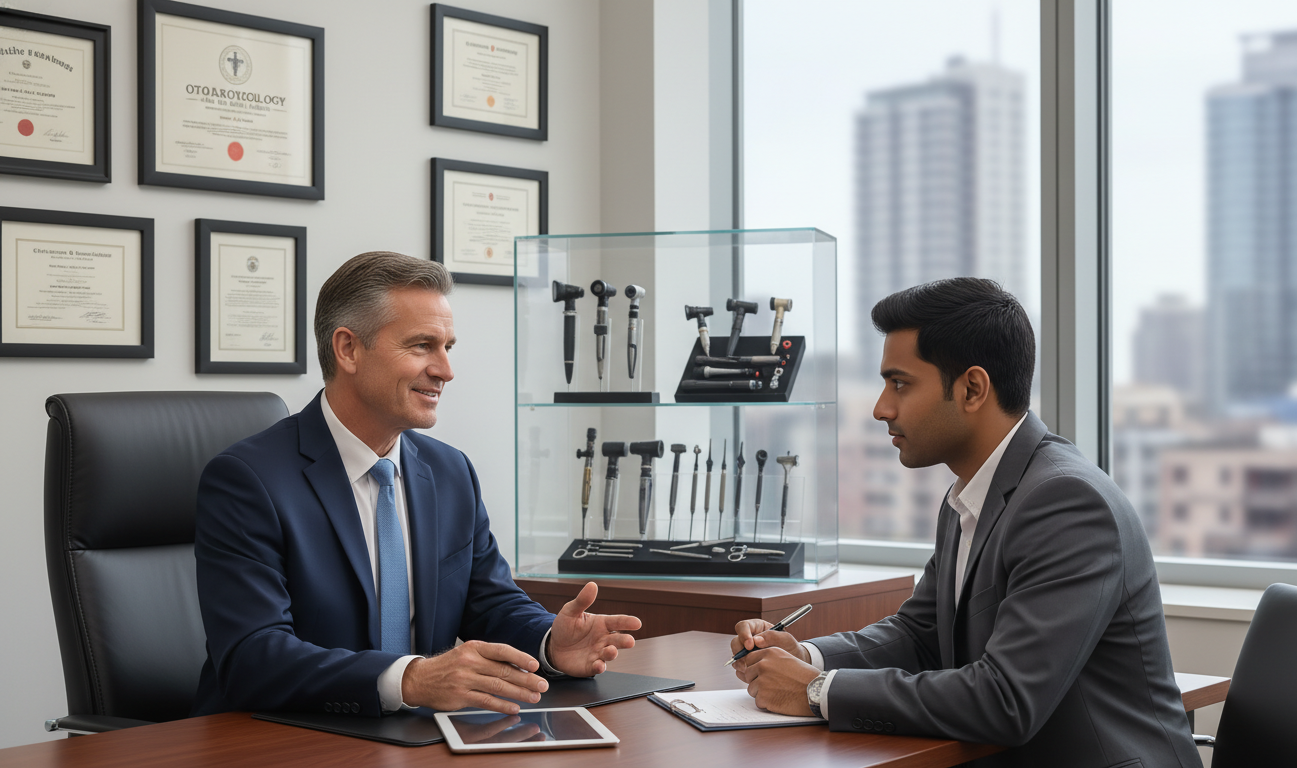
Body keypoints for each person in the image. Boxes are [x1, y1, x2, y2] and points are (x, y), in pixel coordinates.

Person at [731, 278, 1200, 767]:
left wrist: (816, 691)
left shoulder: (1067, 502)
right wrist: (806, 657)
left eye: (900, 383)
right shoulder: (974, 491)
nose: (880, 408)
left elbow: (1005, 700)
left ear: (972, 388)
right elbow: (921, 634)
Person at [193, 251, 641, 717]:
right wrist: (408, 679)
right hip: (279, 740)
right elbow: (252, 657)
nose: (446, 370)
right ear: (347, 349)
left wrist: (551, 642)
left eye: (448, 347)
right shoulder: (248, 481)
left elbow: (489, 602)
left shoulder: (451, 472)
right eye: (422, 346)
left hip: (413, 738)